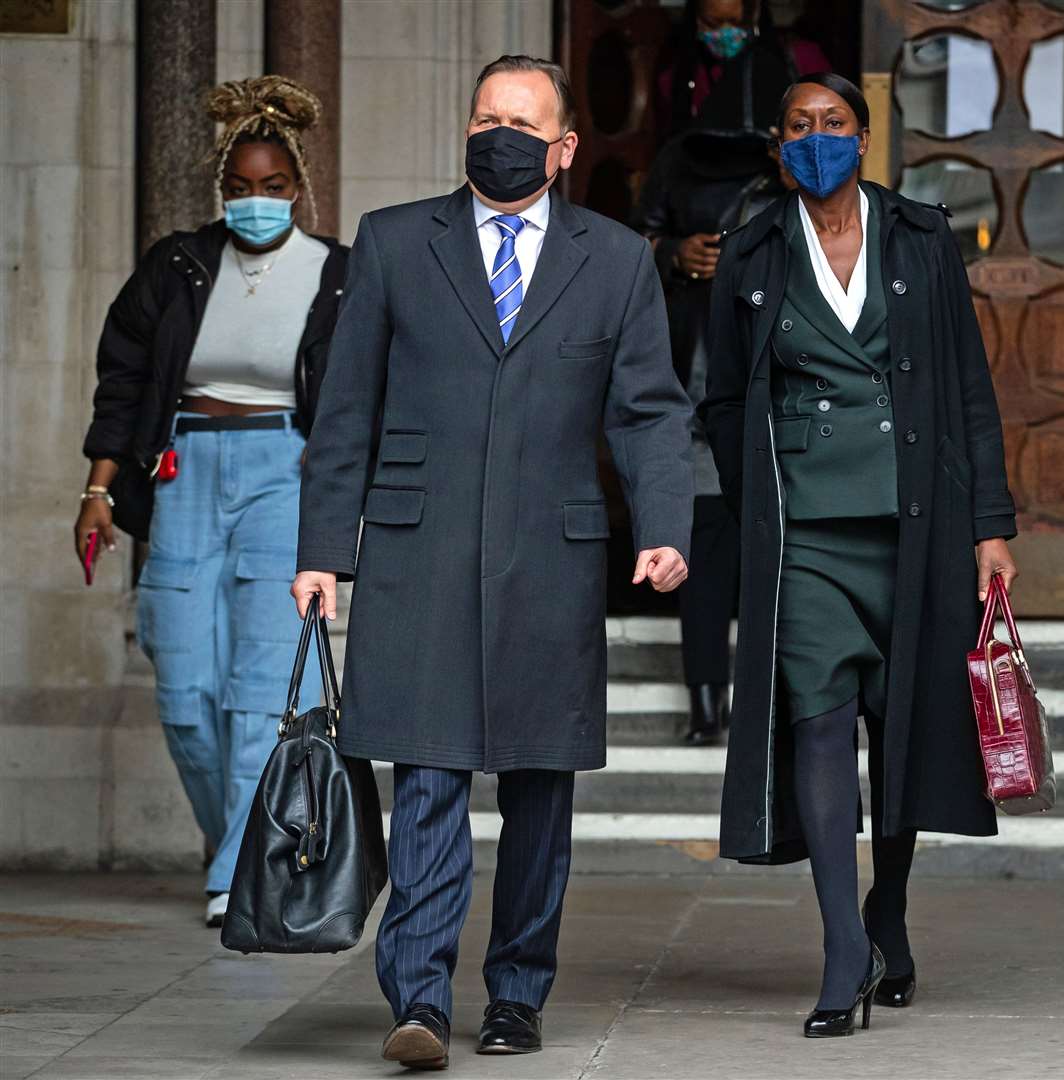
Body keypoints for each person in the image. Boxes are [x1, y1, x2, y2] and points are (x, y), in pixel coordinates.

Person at [291, 56, 693, 1071]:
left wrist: (666, 525)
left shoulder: (614, 259)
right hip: (418, 549)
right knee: (425, 776)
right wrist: (323, 553)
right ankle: (419, 999)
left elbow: (649, 410)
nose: (497, 135)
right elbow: (346, 412)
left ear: (562, 149)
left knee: (538, 790)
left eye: (521, 122)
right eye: (484, 116)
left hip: (551, 556)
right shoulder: (392, 242)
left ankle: (516, 994)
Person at [700, 73, 1019, 1038]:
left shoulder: (920, 239)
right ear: (777, 144)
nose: (816, 139)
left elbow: (969, 385)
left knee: (905, 724)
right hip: (804, 532)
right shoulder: (752, 247)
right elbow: (722, 398)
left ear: (865, 137)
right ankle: (843, 946)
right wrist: (757, 499)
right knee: (823, 720)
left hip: (917, 520)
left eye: (833, 124)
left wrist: (990, 524)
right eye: (798, 127)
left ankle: (889, 907)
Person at [75, 76, 346, 930]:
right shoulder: (179, 264)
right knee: (185, 693)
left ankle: (235, 874)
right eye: (240, 188)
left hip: (284, 471)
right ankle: (230, 840)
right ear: (219, 191)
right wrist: (97, 489)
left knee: (260, 692)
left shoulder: (338, 274)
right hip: (182, 469)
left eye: (272, 188)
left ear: (297, 188)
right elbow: (121, 379)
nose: (256, 202)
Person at [633, 129, 787, 743]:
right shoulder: (682, 163)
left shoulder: (804, 196)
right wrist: (674, 254)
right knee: (700, 566)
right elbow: (636, 238)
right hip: (699, 403)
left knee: (775, 573)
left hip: (776, 412)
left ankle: (765, 709)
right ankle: (706, 707)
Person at [656, 0, 830, 142]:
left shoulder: (804, 60)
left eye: (737, 23)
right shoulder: (677, 80)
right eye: (713, 23)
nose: (725, 32)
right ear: (697, 20)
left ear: (755, 13)